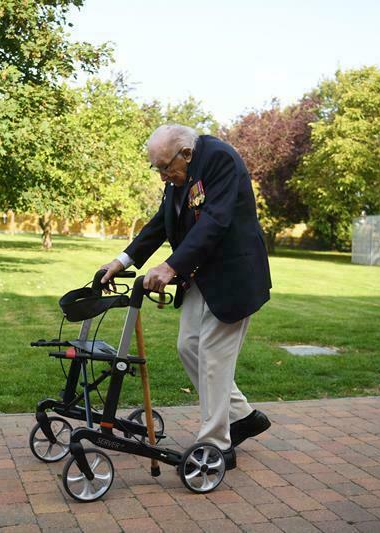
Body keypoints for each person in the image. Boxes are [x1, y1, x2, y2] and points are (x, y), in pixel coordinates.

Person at [99, 124, 272, 468]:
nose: (163, 176)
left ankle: (216, 444)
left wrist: (170, 266)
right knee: (188, 346)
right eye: (157, 169)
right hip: (201, 276)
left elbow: (214, 221)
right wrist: (122, 261)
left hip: (234, 277)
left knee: (213, 357)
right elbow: (161, 223)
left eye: (165, 167)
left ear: (187, 153)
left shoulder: (220, 159)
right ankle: (243, 417)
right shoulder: (178, 176)